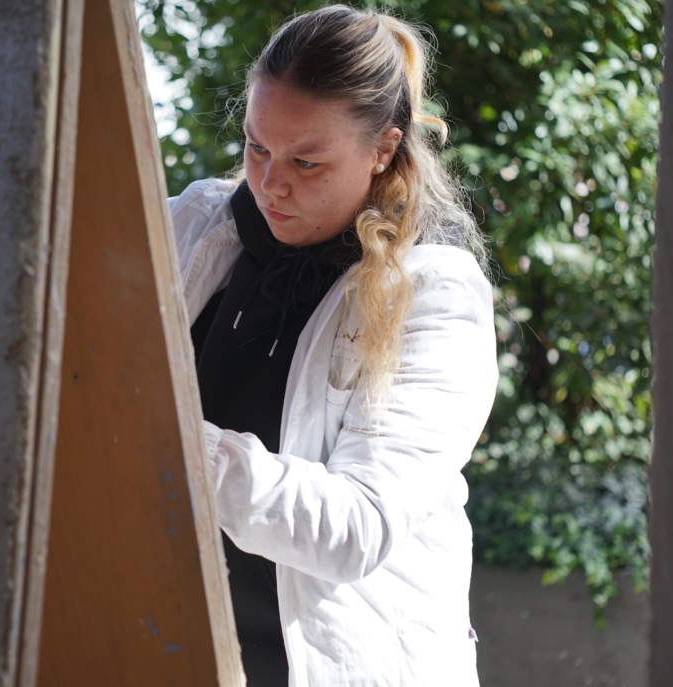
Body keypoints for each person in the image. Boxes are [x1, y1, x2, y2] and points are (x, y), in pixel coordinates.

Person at [169, 6, 497, 686]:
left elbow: (357, 526)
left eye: (306, 162)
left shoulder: (434, 292)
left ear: (383, 150)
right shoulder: (197, 227)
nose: (270, 183)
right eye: (257, 147)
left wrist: (168, 443)